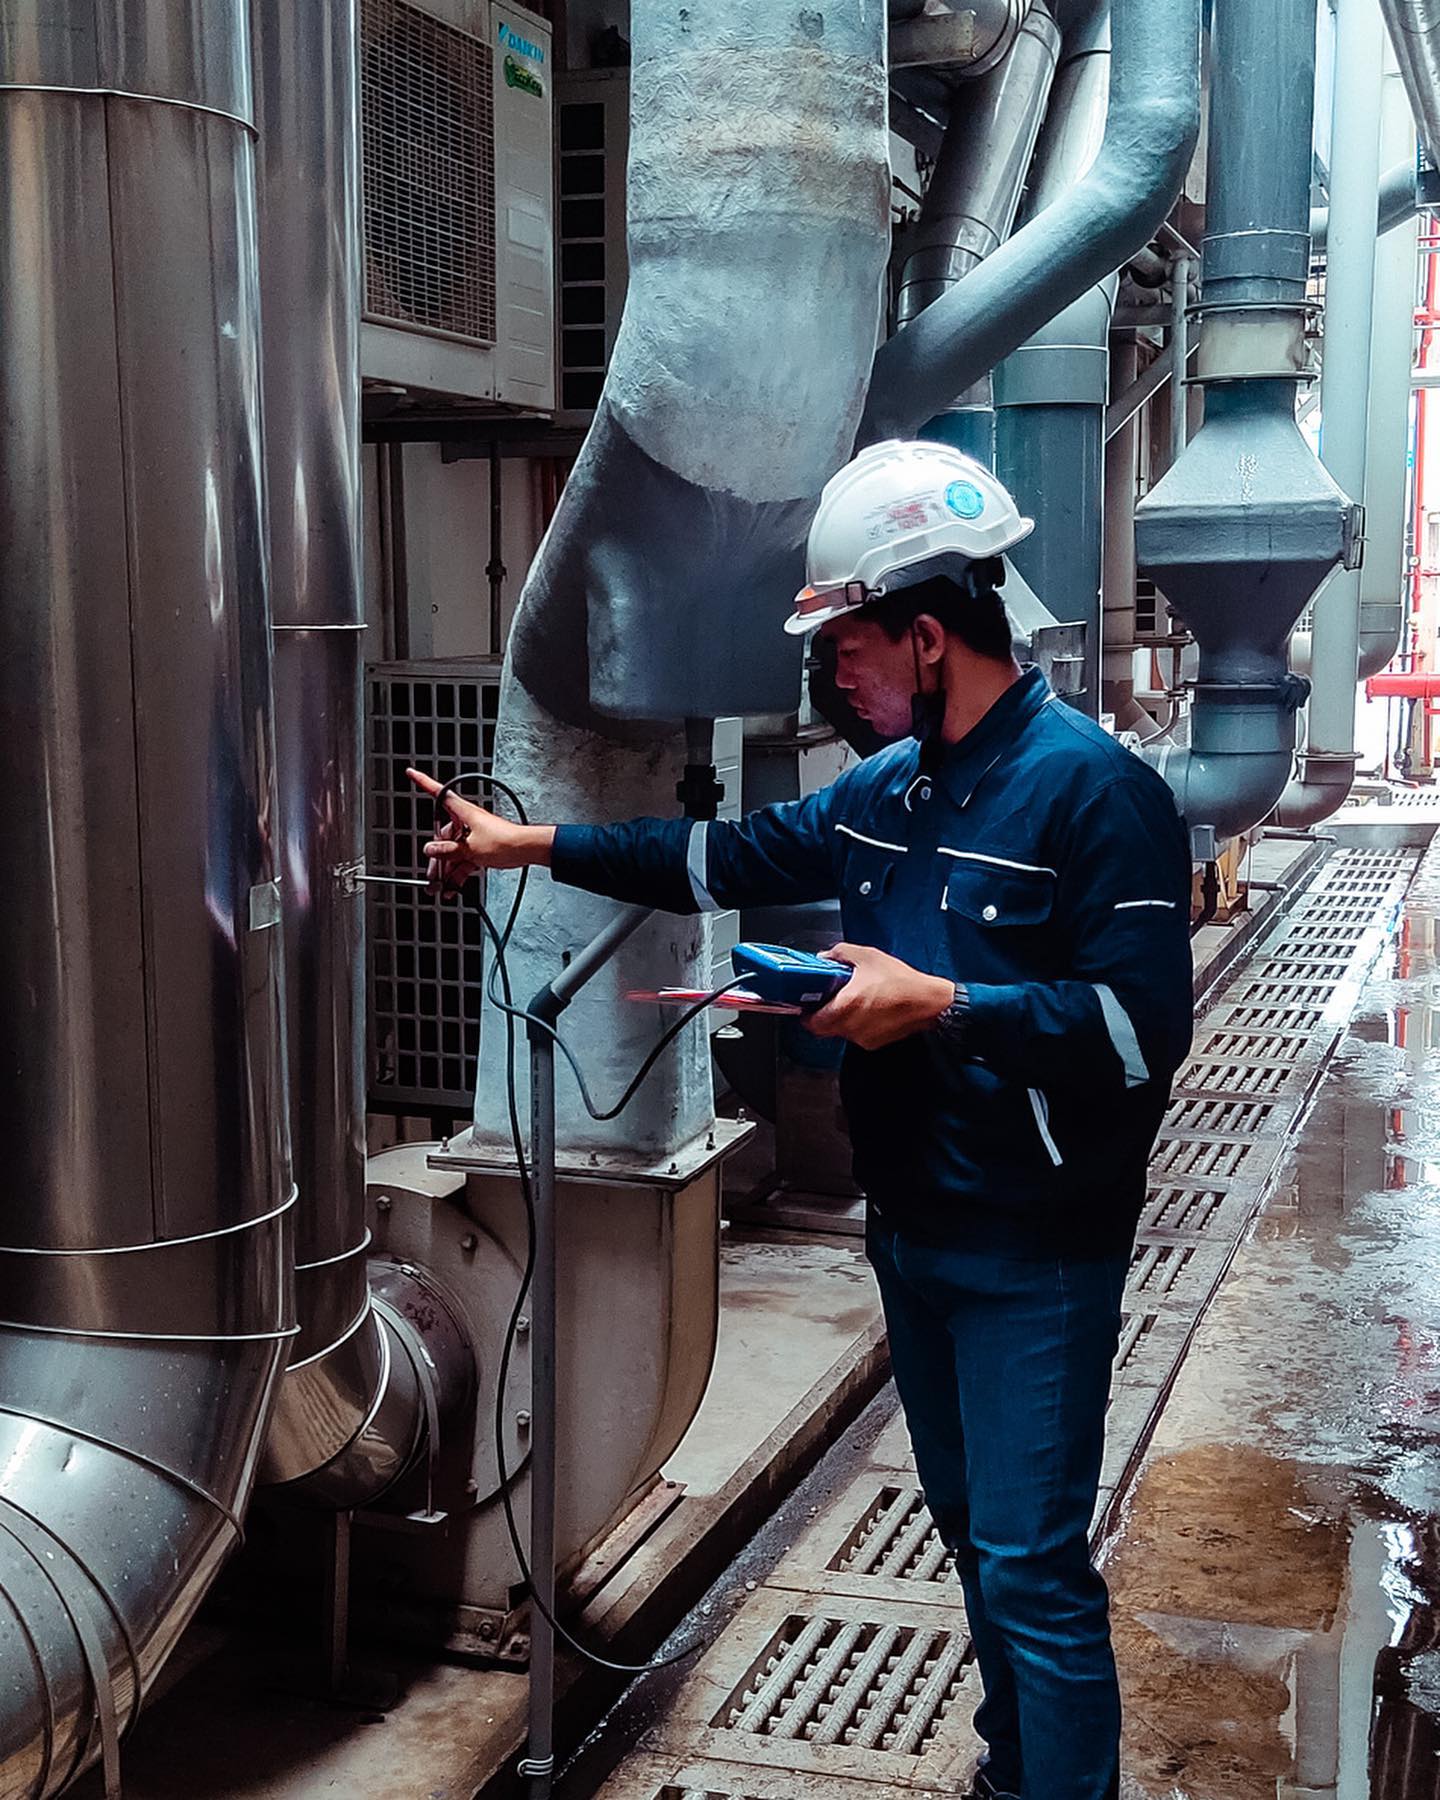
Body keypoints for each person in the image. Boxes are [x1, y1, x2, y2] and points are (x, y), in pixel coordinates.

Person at [409, 439, 1194, 1800]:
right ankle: (1015, 1774)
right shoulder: (891, 790)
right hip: (916, 1233)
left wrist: (940, 1004)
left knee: (1031, 1567)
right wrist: (525, 844)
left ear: (929, 636)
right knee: (974, 1537)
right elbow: (713, 858)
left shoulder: (1097, 792)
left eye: (847, 647)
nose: (832, 677)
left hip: (1035, 1251)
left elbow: (1137, 1035)